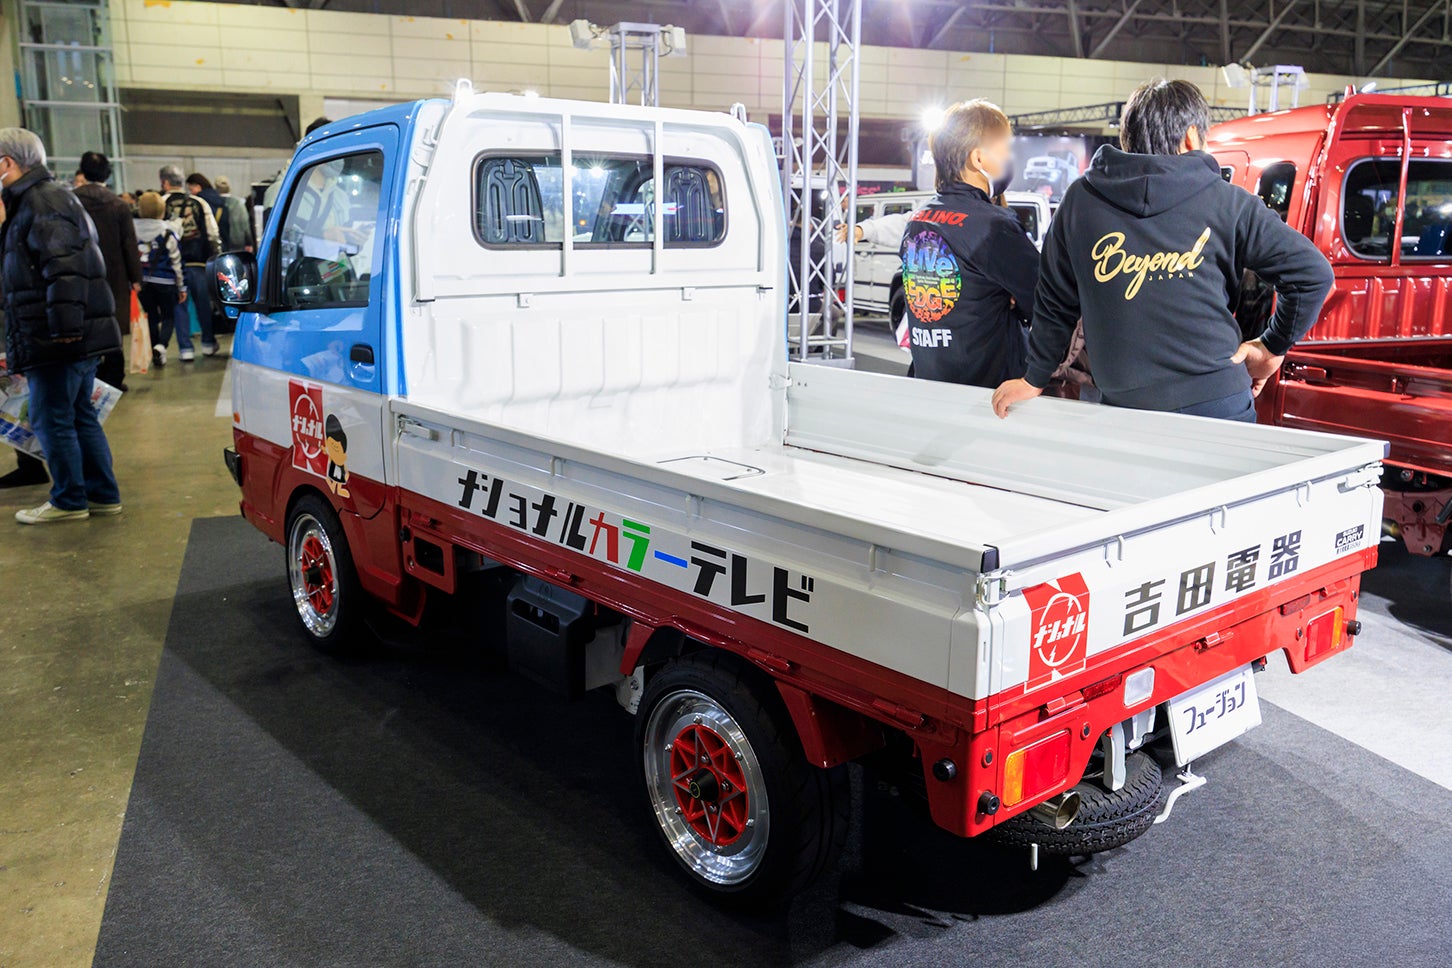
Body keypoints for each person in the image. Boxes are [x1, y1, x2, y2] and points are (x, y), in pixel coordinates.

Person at [992, 79, 1334, 422]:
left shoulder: (1080, 200)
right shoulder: (1229, 203)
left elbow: (1054, 302)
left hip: (1124, 406)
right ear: (1190, 137)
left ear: (1127, 137)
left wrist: (1034, 377)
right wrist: (1272, 346)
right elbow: (1312, 274)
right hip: (1216, 400)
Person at [0, 127, 122, 524]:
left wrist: (65, 329)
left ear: (7, 163)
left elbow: (65, 268)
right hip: (64, 332)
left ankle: (69, 499)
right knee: (77, 415)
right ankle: (101, 494)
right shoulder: (40, 199)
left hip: (56, 334)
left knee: (51, 417)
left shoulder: (40, 201)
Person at [897, 99, 1039, 389]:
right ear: (978, 159)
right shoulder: (993, 226)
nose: (1009, 158)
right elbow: (1045, 301)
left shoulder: (918, 221)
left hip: (930, 383)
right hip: (987, 395)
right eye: (1006, 149)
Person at [73, 151, 142, 391]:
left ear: (82, 172)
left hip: (79, 274)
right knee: (113, 326)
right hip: (115, 274)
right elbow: (128, 243)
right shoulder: (119, 205)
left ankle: (86, 377)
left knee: (83, 325)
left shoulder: (70, 201)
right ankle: (113, 378)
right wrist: (136, 278)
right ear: (108, 174)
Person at [160, 164, 221, 358]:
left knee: (179, 305)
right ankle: (208, 343)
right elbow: (213, 233)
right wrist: (215, 254)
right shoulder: (199, 202)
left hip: (171, 265)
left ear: (165, 182)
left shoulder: (160, 203)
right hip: (199, 262)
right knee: (203, 302)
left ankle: (185, 348)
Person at [133, 191, 188, 367]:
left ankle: (156, 351)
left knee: (151, 317)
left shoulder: (132, 230)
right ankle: (161, 346)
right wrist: (182, 287)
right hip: (166, 281)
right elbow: (176, 261)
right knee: (168, 317)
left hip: (143, 282)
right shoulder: (168, 232)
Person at [214, 175, 254, 252]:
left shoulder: (213, 203)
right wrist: (249, 242)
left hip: (220, 243)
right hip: (238, 243)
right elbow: (245, 224)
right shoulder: (238, 203)